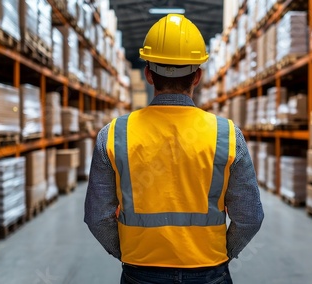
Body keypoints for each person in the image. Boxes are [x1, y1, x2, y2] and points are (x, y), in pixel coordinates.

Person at [84, 14, 264, 284]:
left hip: (140, 271)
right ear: (198, 76)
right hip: (208, 270)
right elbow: (249, 216)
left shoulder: (113, 135)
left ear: (148, 74)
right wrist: (220, 254)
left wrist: (129, 253)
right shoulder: (226, 135)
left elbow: (97, 217)